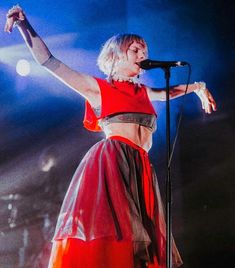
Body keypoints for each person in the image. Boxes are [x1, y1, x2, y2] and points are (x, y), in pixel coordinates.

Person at [5, 5, 216, 268]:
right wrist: (26, 26)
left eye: (144, 49)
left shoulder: (143, 93)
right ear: (116, 56)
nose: (143, 53)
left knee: (143, 243)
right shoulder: (98, 89)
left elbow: (169, 92)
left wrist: (198, 87)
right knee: (118, 238)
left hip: (140, 168)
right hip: (113, 163)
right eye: (135, 49)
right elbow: (49, 62)